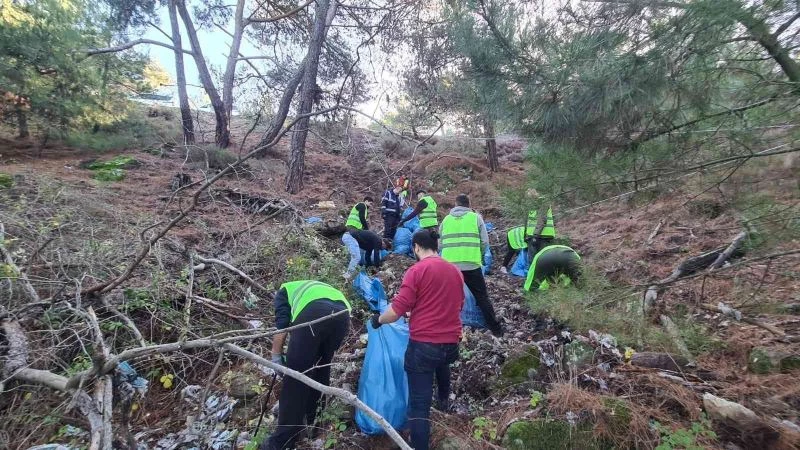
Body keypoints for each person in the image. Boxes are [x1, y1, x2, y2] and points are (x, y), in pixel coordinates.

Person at [372, 229, 464, 450]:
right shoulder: (455, 271)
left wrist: (379, 320)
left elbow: (396, 311)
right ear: (436, 246)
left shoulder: (417, 270)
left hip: (424, 346)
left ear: (415, 247)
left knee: (419, 405)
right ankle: (444, 402)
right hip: (451, 343)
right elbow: (456, 305)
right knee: (441, 364)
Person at [265, 281, 352, 450]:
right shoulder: (312, 287)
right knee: (320, 367)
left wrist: (276, 357)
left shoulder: (284, 291)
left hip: (313, 313)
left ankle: (282, 441)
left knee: (296, 376)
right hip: (342, 315)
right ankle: (314, 422)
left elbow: (281, 327)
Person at [439, 194, 504, 337]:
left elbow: (440, 244)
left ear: (455, 205)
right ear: (469, 205)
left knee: (448, 298)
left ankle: (445, 327)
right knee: (481, 297)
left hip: (450, 267)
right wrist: (478, 255)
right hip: (471, 265)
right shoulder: (475, 218)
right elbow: (485, 242)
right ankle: (496, 330)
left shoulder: (446, 220)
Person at [524, 189, 556, 260]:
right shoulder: (530, 206)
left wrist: (535, 235)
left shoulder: (543, 203)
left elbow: (542, 220)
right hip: (532, 236)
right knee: (536, 260)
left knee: (540, 260)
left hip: (542, 237)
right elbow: (527, 222)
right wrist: (525, 236)